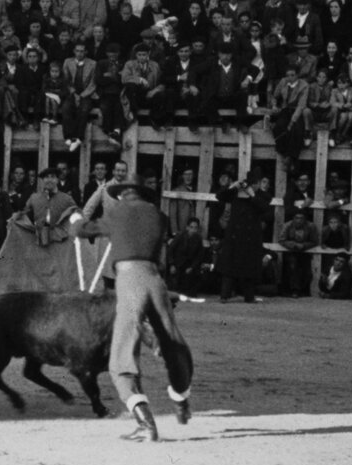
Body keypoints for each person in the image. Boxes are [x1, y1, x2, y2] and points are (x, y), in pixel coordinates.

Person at [69, 175, 194, 442]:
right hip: (155, 280)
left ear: (122, 194)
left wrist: (75, 221)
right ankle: (181, 397)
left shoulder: (118, 212)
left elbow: (83, 231)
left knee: (122, 355)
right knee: (173, 340)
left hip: (128, 279)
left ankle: (146, 424)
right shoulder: (159, 216)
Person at [213, 170, 271, 303]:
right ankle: (224, 295)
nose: (254, 186)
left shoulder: (262, 195)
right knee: (229, 268)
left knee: (250, 269)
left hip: (251, 235)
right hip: (235, 234)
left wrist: (252, 195)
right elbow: (219, 196)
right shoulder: (236, 193)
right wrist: (233, 187)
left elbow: (265, 208)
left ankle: (249, 297)